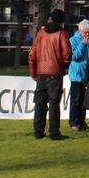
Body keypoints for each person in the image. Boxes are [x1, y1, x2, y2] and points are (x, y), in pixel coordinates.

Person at [28, 9, 73, 140]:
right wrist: (63, 65)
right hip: (55, 72)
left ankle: (38, 131)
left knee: (40, 103)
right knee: (54, 103)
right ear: (62, 21)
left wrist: (33, 72)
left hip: (41, 72)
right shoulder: (62, 33)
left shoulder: (41, 33)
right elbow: (67, 54)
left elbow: (32, 54)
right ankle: (54, 132)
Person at [67, 19, 89, 132]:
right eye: (85, 32)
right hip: (77, 75)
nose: (88, 34)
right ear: (80, 31)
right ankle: (74, 122)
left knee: (84, 100)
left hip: (88, 75)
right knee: (76, 100)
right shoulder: (72, 40)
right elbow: (74, 57)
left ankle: (82, 121)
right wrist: (83, 45)